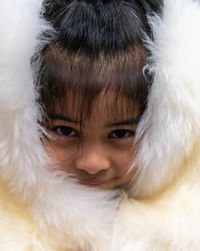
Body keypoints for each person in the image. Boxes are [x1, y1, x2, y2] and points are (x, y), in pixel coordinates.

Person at [1, 0, 200, 250]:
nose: (92, 163)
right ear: (17, 124)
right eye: (65, 130)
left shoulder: (185, 231)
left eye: (120, 133)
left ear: (167, 131)